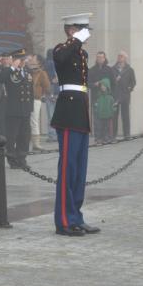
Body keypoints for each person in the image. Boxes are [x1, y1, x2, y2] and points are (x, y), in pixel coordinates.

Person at [50, 13, 100, 237]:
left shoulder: (82, 53)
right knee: (67, 169)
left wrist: (79, 41)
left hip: (80, 113)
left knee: (79, 171)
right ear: (72, 30)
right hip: (68, 113)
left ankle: (76, 217)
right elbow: (61, 58)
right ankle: (63, 221)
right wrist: (76, 38)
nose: (86, 34)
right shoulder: (62, 49)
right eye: (82, 29)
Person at [0, 49, 33, 168]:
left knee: (24, 136)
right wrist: (12, 67)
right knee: (12, 136)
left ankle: (22, 159)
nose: (23, 62)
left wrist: (30, 108)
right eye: (20, 60)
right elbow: (0, 79)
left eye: (24, 59)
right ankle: (12, 160)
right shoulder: (8, 72)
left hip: (25, 110)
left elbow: (30, 92)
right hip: (13, 110)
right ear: (15, 60)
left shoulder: (27, 72)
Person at [88, 51, 115, 143]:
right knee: (97, 119)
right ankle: (98, 137)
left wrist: (108, 89)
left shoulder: (109, 70)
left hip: (107, 98)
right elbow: (87, 83)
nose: (99, 59)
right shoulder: (91, 70)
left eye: (101, 57)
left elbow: (114, 83)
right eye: (98, 57)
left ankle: (106, 136)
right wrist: (95, 84)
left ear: (104, 58)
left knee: (107, 118)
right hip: (96, 97)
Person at [28, 54, 50, 150]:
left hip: (35, 99)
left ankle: (36, 143)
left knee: (34, 121)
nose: (31, 59)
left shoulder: (42, 73)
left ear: (38, 62)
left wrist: (41, 94)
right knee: (25, 121)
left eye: (34, 58)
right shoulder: (27, 70)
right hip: (25, 99)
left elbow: (47, 87)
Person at [112, 51, 136, 139]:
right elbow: (111, 81)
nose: (119, 57)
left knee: (125, 115)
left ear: (125, 58)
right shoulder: (112, 69)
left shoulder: (129, 69)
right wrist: (115, 80)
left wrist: (130, 88)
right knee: (114, 115)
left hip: (125, 95)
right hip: (115, 94)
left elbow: (133, 82)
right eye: (119, 56)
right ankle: (113, 134)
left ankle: (127, 134)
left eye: (121, 56)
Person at [43, 48, 59, 142]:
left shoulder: (46, 64)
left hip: (50, 89)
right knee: (54, 114)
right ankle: (54, 134)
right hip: (55, 89)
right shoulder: (53, 63)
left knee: (50, 113)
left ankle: (52, 134)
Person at [93, 77, 115, 143]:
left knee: (107, 127)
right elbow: (96, 104)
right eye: (101, 85)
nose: (102, 87)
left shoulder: (110, 97)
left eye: (104, 85)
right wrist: (96, 109)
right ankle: (99, 138)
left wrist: (113, 111)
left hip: (108, 115)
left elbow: (113, 105)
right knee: (99, 127)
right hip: (100, 115)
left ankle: (107, 137)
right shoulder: (99, 96)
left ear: (107, 86)